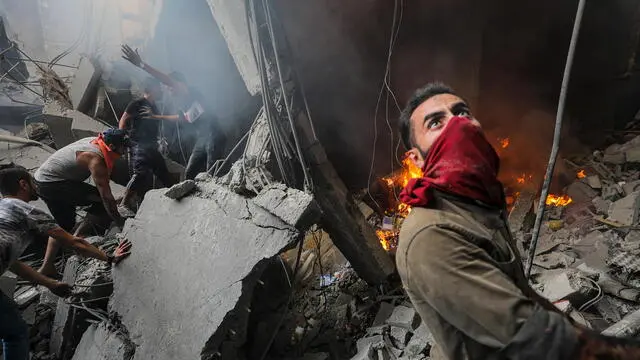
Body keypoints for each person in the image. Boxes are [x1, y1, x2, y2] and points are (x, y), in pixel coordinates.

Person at [396, 82, 640, 359]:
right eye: (436, 122)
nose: (457, 125)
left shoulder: (476, 204)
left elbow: (525, 297)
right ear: (415, 159)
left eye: (462, 113)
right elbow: (532, 336)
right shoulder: (432, 235)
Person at [0, 165, 131, 360]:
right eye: (32, 182)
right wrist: (109, 257)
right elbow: (74, 242)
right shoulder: (26, 211)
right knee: (15, 334)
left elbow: (13, 263)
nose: (36, 186)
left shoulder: (4, 211)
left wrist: (50, 284)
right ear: (22, 184)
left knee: (13, 329)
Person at [121, 44, 226, 180]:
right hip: (202, 138)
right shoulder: (183, 101)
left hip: (214, 135)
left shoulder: (189, 91)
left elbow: (168, 81)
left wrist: (141, 65)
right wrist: (156, 116)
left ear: (179, 84)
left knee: (213, 173)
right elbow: (184, 118)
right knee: (189, 175)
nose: (168, 90)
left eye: (170, 87)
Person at [34, 129, 128, 277]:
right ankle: (79, 238)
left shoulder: (96, 141)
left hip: (42, 180)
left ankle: (47, 266)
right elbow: (106, 197)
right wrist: (120, 221)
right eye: (124, 147)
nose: (126, 151)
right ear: (112, 145)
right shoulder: (95, 159)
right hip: (54, 185)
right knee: (102, 204)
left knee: (62, 226)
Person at [118, 77, 181, 215]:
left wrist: (159, 140)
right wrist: (122, 138)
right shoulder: (137, 103)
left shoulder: (154, 107)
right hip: (139, 144)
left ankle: (178, 197)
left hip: (151, 145)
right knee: (140, 173)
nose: (161, 90)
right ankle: (124, 203)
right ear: (153, 88)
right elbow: (123, 119)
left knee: (163, 173)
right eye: (158, 87)